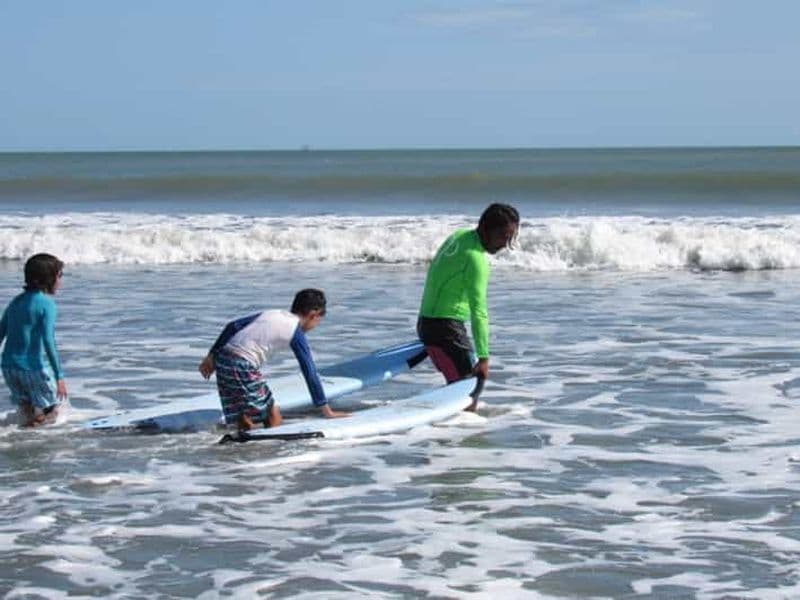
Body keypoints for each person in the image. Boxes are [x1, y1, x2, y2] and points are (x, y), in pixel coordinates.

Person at [198, 288, 348, 431]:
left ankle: (242, 447)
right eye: (319, 321)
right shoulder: (295, 332)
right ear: (313, 314)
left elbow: (232, 326)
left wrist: (212, 355)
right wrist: (326, 410)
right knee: (272, 413)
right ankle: (274, 449)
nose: (315, 326)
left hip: (223, 359)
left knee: (242, 414)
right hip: (242, 364)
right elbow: (309, 371)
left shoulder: (272, 313)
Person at [417, 203, 519, 411]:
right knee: (471, 387)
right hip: (446, 330)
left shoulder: (458, 237)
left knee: (461, 388)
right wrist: (483, 357)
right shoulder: (476, 260)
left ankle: (447, 431)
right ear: (485, 229)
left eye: (510, 237)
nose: (505, 244)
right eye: (502, 236)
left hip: (426, 324)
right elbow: (479, 311)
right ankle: (462, 438)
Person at [0, 253, 68, 427]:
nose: (61, 281)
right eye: (59, 276)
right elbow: (48, 340)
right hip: (32, 368)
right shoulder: (47, 304)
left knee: (29, 411)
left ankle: (20, 439)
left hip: (9, 369)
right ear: (49, 278)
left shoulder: (15, 302)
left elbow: (1, 333)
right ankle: (25, 438)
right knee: (52, 410)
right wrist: (59, 377)